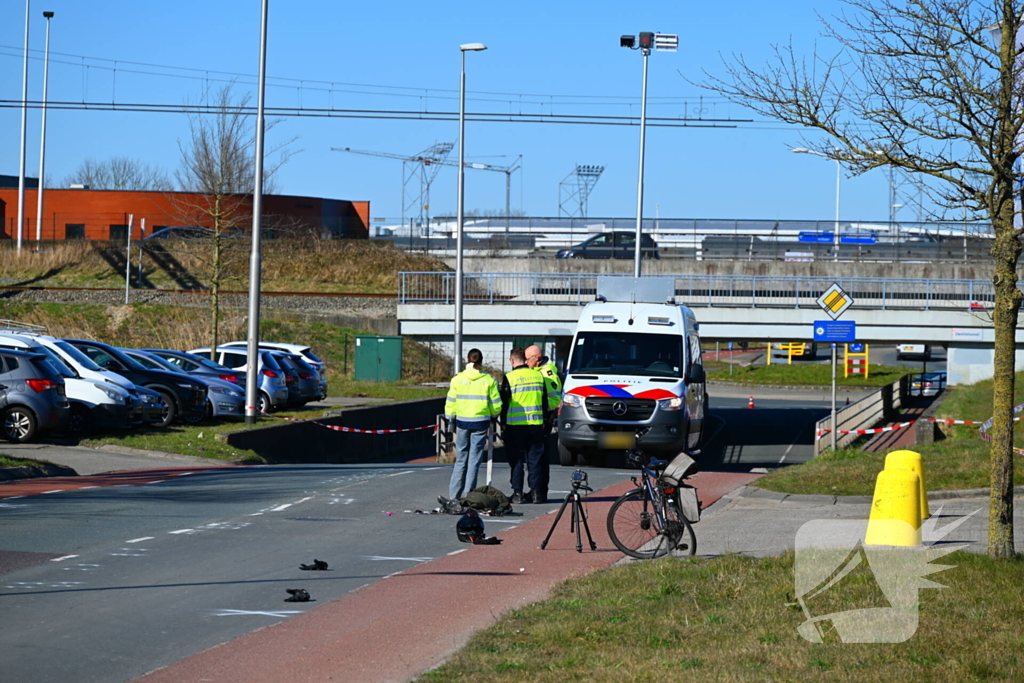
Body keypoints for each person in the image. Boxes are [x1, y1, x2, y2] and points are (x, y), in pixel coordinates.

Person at [443, 349, 502, 503]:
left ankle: (453, 496)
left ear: (467, 360)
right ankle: (469, 495)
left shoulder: (457, 379)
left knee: (461, 458)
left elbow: (450, 403)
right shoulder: (489, 380)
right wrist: (492, 415)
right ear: (481, 361)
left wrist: (451, 419)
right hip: (481, 422)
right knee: (474, 459)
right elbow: (496, 406)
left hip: (462, 422)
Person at [500, 346, 548, 504]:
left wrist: (503, 424)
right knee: (535, 460)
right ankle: (535, 494)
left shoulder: (509, 377)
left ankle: (518, 494)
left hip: (515, 426)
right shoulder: (538, 376)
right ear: (525, 359)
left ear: (512, 360)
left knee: (517, 460)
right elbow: (544, 402)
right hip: (535, 424)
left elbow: (504, 403)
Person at [525, 344, 561, 468]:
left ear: (536, 358)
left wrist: (540, 408)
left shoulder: (547, 374)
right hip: (537, 418)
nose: (526, 362)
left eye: (528, 359)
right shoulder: (537, 371)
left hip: (544, 418)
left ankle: (539, 486)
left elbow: (555, 399)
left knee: (540, 455)